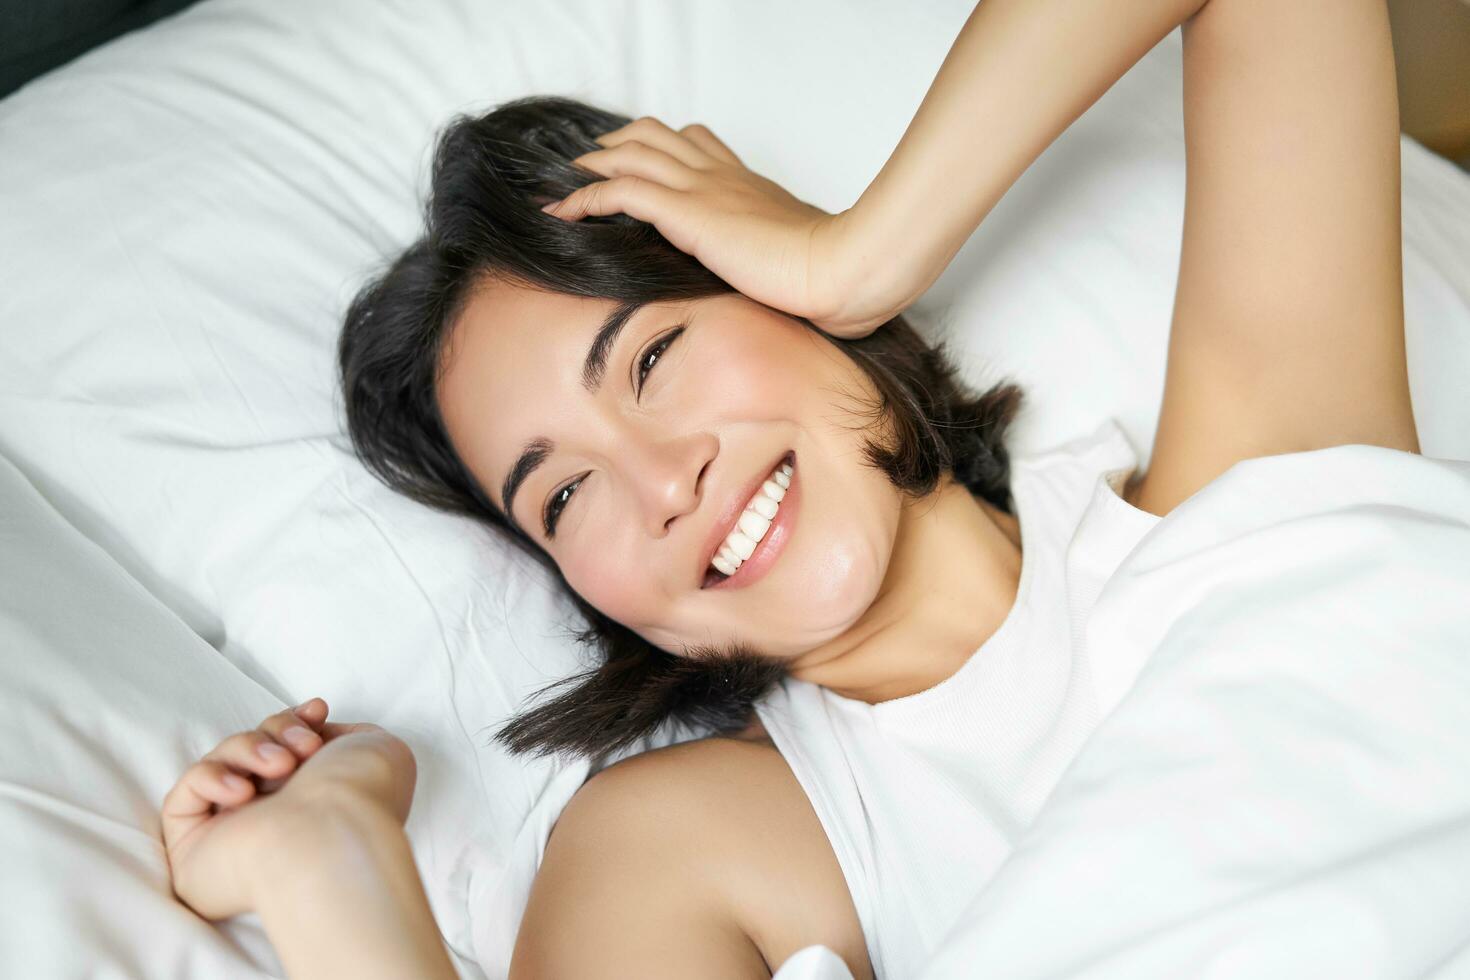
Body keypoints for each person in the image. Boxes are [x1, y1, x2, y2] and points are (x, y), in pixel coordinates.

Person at [159, 0, 1418, 976]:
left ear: (786, 296)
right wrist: (334, 880)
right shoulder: (679, 851)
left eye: (654, 357)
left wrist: (860, 247)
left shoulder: (1249, 494)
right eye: (564, 498)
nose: (662, 482)